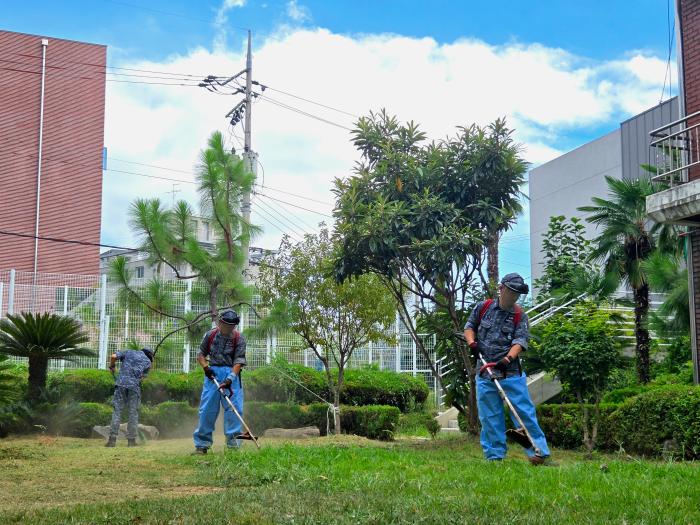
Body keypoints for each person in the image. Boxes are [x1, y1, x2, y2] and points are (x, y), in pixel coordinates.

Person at [464, 273, 551, 465]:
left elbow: (520, 341)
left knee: (522, 414)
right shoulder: (483, 307)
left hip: (510, 373)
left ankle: (538, 452)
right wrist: (472, 344)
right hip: (485, 373)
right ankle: (495, 457)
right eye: (511, 292)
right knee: (490, 417)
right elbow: (469, 327)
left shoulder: (520, 316)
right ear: (502, 289)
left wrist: (507, 358)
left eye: (517, 294)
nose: (514, 297)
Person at [192, 309, 248, 454]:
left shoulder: (239, 338)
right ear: (220, 322)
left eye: (231, 326)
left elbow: (239, 361)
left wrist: (230, 378)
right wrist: (206, 368)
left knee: (234, 410)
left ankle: (234, 445)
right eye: (225, 324)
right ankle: (202, 445)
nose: (228, 328)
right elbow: (201, 354)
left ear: (235, 325)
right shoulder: (210, 335)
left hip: (232, 375)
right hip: (213, 375)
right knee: (207, 410)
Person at [106, 347, 154, 447]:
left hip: (120, 385)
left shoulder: (129, 352)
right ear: (149, 355)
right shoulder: (148, 362)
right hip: (134, 388)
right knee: (133, 413)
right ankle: (131, 441)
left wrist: (112, 366)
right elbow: (142, 377)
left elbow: (113, 356)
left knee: (117, 411)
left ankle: (112, 440)